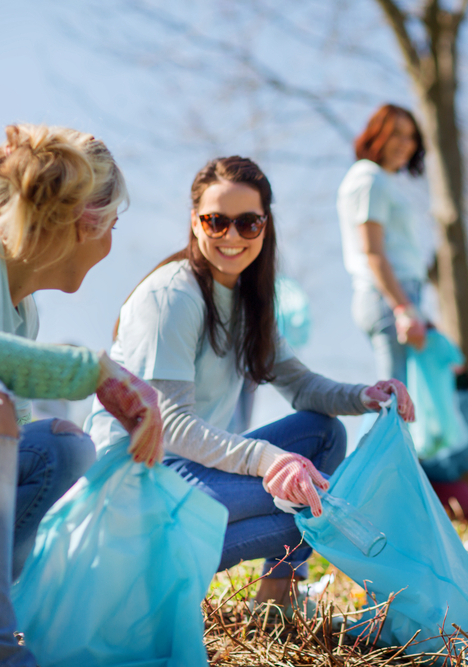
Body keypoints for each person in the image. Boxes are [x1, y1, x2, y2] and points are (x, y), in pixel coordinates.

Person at [86, 156, 415, 610]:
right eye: (216, 221)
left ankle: (276, 601)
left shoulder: (248, 302)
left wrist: (365, 396)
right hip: (138, 490)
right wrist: (268, 461)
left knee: (324, 434)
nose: (232, 237)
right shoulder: (172, 297)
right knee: (318, 509)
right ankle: (153, 577)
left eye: (248, 223)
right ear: (196, 222)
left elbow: (301, 386)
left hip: (193, 477)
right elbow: (172, 425)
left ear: (266, 224)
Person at [0, 125, 163, 667]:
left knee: (63, 443)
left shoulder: (23, 311)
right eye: (113, 226)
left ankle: (9, 611)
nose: (111, 244)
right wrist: (95, 372)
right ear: (88, 223)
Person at [337, 104, 428, 384]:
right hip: (387, 297)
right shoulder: (369, 178)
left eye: (411, 137)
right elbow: (373, 252)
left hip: (396, 296)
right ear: (378, 134)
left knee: (399, 396)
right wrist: (404, 309)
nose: (405, 144)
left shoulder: (381, 180)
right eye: (396, 134)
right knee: (393, 396)